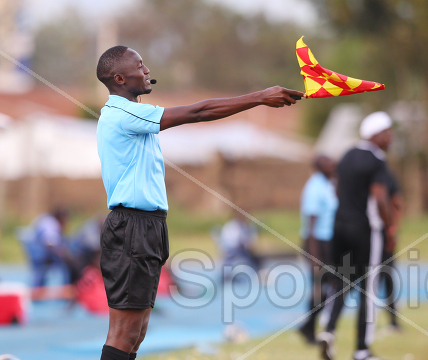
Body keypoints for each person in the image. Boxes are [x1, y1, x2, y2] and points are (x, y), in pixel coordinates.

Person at [95, 45, 305, 360]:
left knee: (135, 333)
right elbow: (198, 112)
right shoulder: (122, 113)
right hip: (132, 228)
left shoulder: (133, 114)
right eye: (140, 65)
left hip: (146, 226)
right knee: (124, 333)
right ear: (120, 78)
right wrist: (259, 97)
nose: (148, 70)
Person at [316, 112, 394, 360]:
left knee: (341, 283)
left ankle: (328, 332)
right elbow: (380, 197)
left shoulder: (347, 155)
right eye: (388, 132)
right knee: (368, 289)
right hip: (365, 229)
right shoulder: (377, 160)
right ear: (376, 135)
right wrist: (390, 228)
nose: (390, 138)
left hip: (339, 227)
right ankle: (362, 349)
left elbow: (337, 189)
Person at [298, 155, 338, 344]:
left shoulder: (332, 184)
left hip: (330, 242)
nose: (332, 164)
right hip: (316, 243)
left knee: (332, 287)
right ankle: (310, 327)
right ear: (318, 166)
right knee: (321, 288)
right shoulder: (314, 187)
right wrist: (315, 259)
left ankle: (310, 325)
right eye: (327, 162)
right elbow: (311, 226)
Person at [380, 168, 402, 330]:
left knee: (387, 278)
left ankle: (393, 321)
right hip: (364, 237)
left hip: (384, 236)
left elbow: (397, 204)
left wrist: (392, 229)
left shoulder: (387, 176)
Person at [217, 211, 260, 281]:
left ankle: (258, 273)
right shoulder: (233, 226)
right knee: (249, 259)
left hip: (237, 250)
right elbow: (237, 241)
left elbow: (249, 242)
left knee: (253, 259)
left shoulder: (245, 226)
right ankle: (226, 275)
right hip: (232, 250)